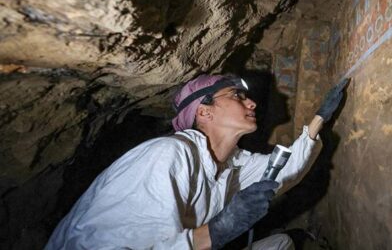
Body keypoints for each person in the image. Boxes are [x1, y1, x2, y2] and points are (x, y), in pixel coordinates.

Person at [46, 74, 349, 249]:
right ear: (204, 112)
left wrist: (320, 118)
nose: (251, 102)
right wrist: (218, 230)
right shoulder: (166, 156)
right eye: (236, 96)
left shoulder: (232, 164)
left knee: (279, 245)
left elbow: (287, 170)